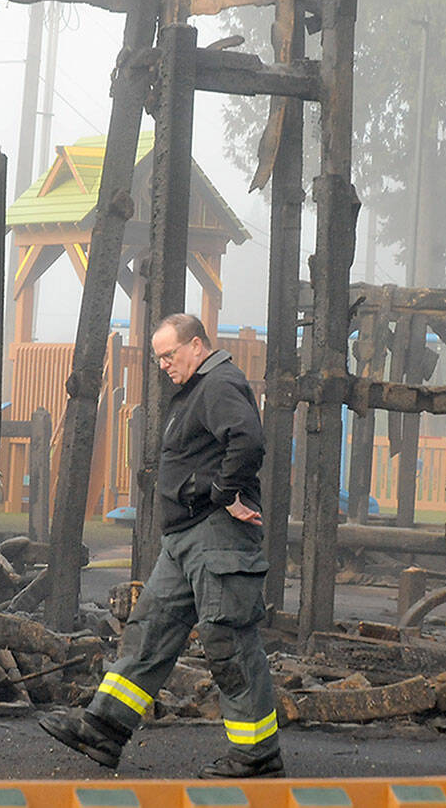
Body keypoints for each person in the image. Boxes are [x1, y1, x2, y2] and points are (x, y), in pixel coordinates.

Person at [39, 313, 284, 779]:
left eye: (170, 355)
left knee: (228, 641)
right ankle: (103, 730)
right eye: (158, 359)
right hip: (185, 539)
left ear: (197, 345)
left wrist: (224, 493)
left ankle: (257, 755)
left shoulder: (218, 384)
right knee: (149, 630)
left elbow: (249, 441)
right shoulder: (195, 390)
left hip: (217, 537)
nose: (164, 365)